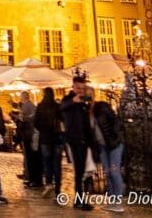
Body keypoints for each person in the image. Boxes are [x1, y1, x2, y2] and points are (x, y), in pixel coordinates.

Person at [60, 74, 95, 211]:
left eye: (83, 88)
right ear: (73, 86)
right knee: (79, 171)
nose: (81, 90)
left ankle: (80, 200)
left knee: (84, 171)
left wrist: (90, 104)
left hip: (85, 140)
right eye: (78, 87)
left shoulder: (84, 102)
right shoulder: (68, 99)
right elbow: (62, 107)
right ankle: (79, 200)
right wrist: (73, 101)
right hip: (74, 140)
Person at [91, 91, 124, 212]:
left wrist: (114, 137)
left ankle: (118, 202)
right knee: (108, 173)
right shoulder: (86, 113)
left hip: (114, 145)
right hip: (103, 147)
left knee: (114, 172)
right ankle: (111, 201)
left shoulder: (102, 107)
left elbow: (115, 120)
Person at [35, 86, 64, 199]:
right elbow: (62, 121)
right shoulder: (57, 107)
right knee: (57, 163)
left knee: (47, 162)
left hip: (45, 139)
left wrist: (43, 129)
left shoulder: (40, 107)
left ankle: (48, 183)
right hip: (57, 138)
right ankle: (57, 187)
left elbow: (36, 123)